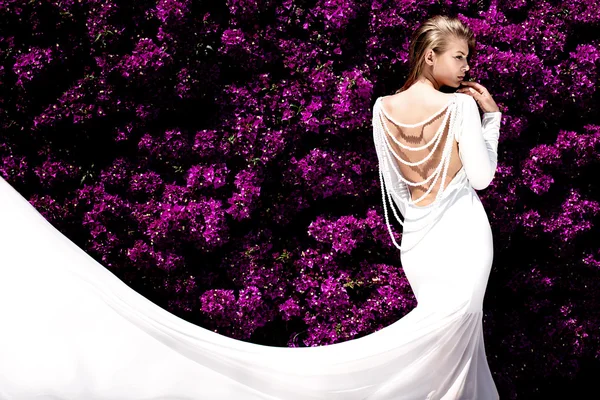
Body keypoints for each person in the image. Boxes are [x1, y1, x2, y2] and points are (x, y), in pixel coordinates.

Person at [0, 15, 501, 400]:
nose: (465, 68)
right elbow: (480, 177)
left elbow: (396, 183)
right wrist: (490, 120)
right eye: (458, 57)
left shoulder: (383, 108)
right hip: (457, 232)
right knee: (453, 337)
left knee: (447, 340)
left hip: (416, 238)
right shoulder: (459, 107)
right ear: (430, 56)